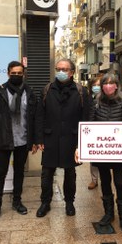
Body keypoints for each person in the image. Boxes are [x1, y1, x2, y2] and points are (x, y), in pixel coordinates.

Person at [76, 73, 122, 233]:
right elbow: (88, 127)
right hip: (101, 152)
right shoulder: (95, 103)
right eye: (105, 83)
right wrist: (80, 147)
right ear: (102, 86)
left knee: (120, 182)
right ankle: (108, 214)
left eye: (111, 83)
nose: (108, 86)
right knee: (105, 182)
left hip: (117, 152)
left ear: (117, 86)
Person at [35, 58, 89, 217]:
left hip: (71, 138)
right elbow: (39, 115)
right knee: (46, 173)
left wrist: (82, 142)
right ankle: (45, 202)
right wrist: (39, 139)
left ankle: (70, 202)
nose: (61, 72)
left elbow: (86, 118)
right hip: (50, 138)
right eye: (58, 68)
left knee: (70, 173)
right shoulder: (47, 90)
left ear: (72, 72)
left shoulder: (80, 91)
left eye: (65, 69)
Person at [0, 61, 37, 222]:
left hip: (22, 140)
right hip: (3, 140)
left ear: (24, 74)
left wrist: (34, 140)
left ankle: (17, 201)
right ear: (8, 73)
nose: (16, 75)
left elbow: (34, 118)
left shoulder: (30, 92)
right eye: (13, 73)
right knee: (1, 173)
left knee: (19, 172)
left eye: (19, 73)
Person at [87, 77, 101, 190]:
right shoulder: (87, 98)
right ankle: (94, 179)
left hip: (103, 129)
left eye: (99, 85)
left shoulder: (106, 97)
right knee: (94, 156)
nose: (97, 87)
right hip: (91, 130)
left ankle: (105, 178)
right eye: (94, 85)